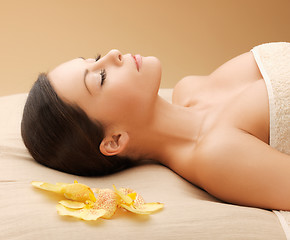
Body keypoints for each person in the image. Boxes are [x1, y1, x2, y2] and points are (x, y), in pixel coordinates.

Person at [21, 42, 290, 210]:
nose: (114, 54)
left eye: (97, 58)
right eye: (101, 77)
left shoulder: (191, 88)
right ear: (114, 140)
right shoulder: (217, 156)